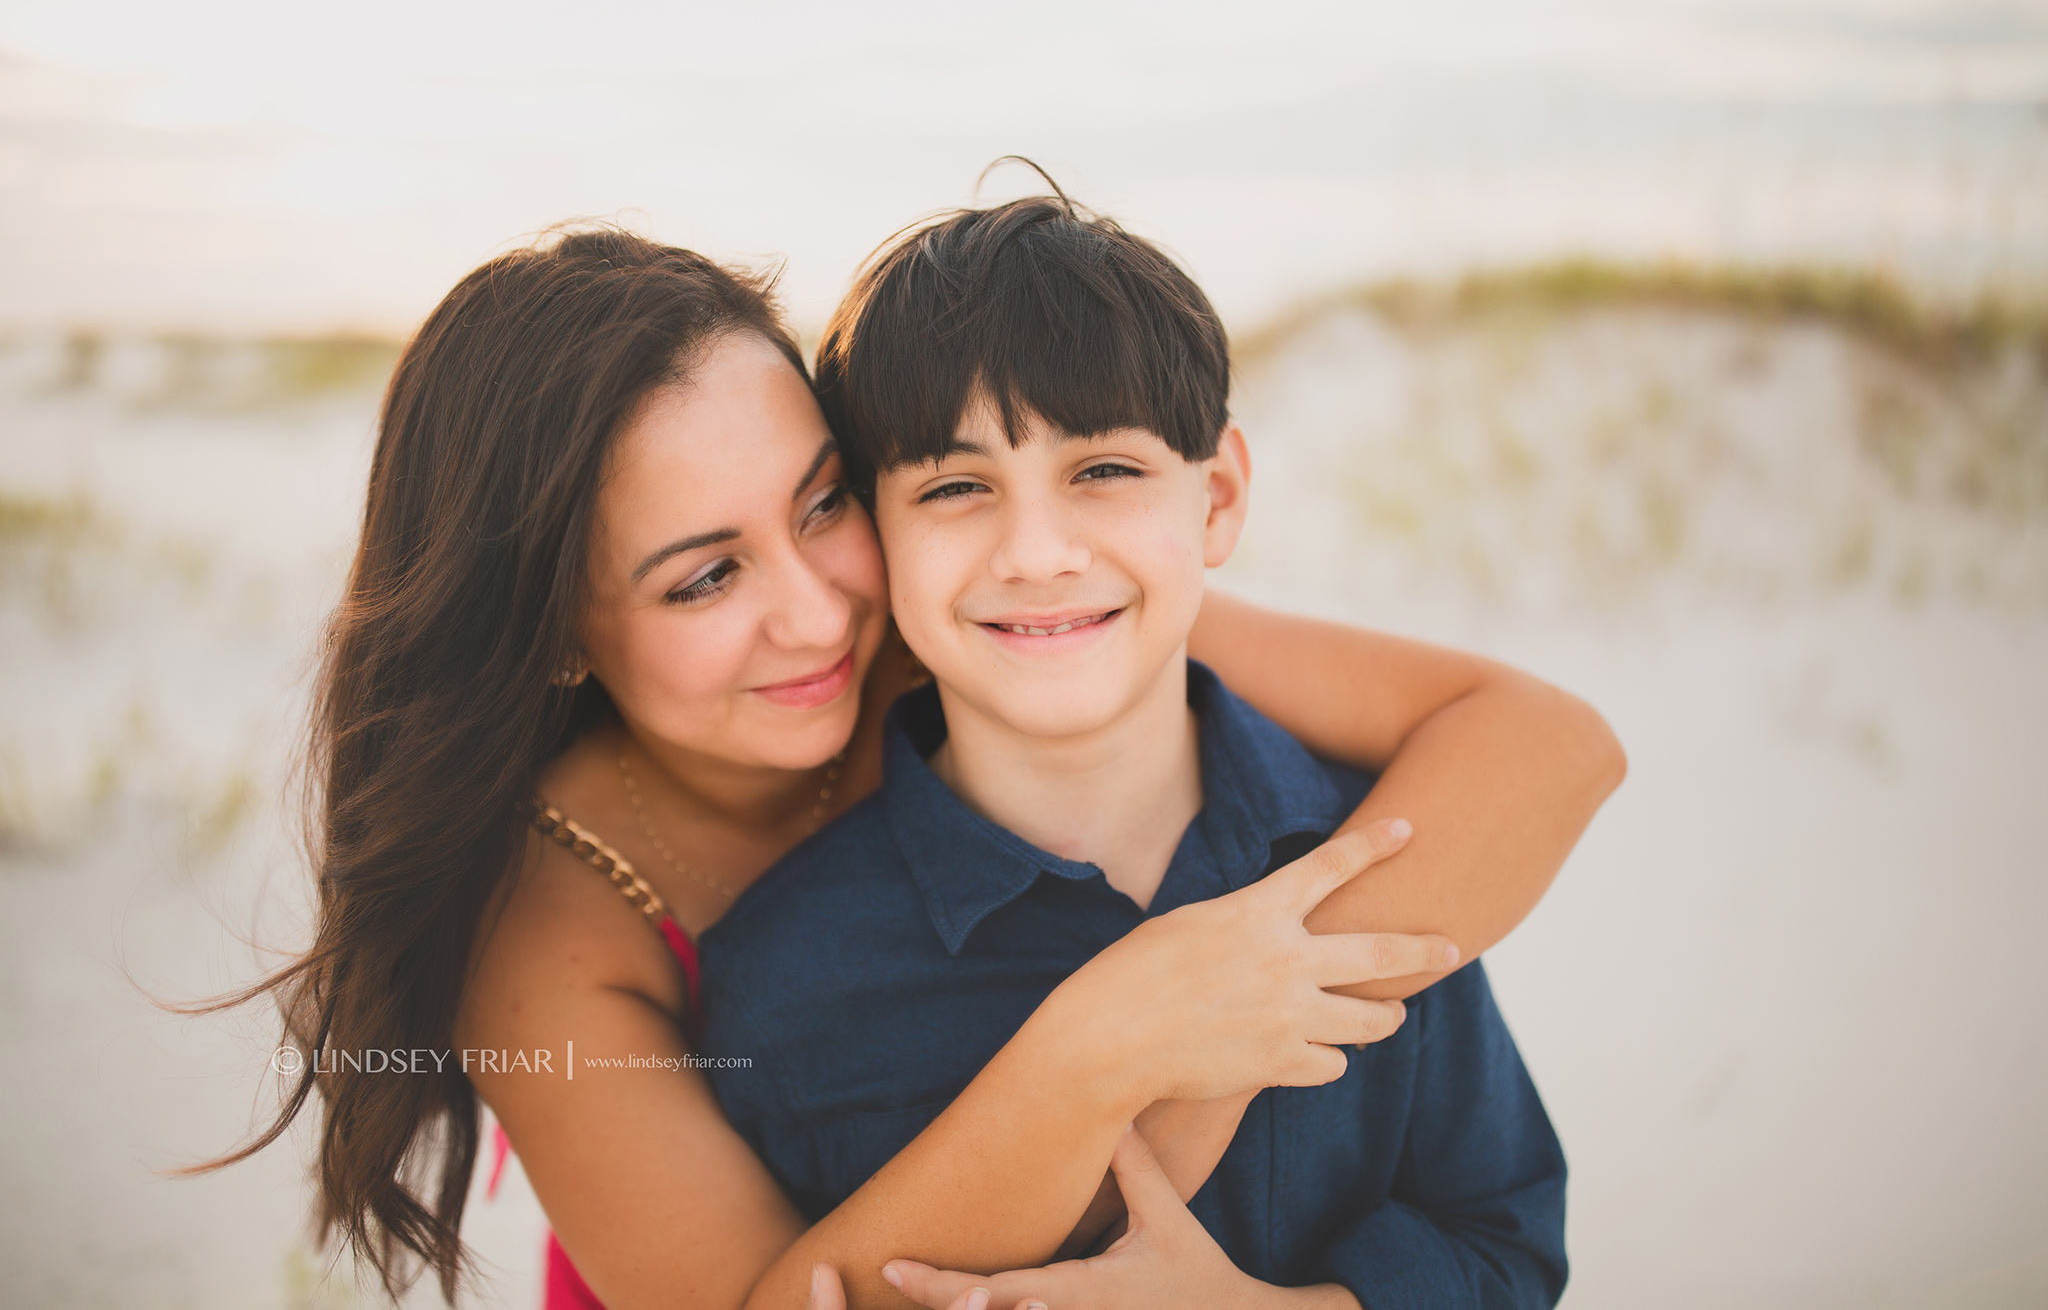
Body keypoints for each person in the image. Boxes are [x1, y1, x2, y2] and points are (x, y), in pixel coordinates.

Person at [204, 216, 1623, 1309]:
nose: (817, 609)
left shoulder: (972, 626)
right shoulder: (547, 938)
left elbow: (1542, 743)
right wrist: (1102, 1047)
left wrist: (1239, 1010)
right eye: (704, 579)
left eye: (823, 503)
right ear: (559, 632)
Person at [698, 191, 1567, 1310]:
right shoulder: (784, 973)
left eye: (1101, 471)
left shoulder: (1370, 848)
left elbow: (1502, 1242)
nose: (1037, 552)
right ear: (876, 535)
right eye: (956, 488)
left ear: (1215, 499)